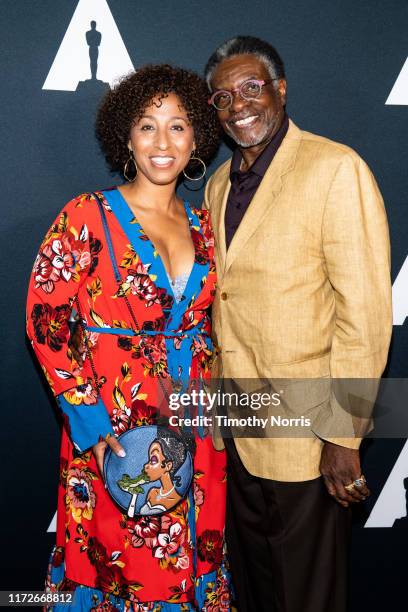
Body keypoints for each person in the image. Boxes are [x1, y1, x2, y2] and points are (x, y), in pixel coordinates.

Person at [26, 64, 230, 611]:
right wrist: (88, 420)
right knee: (119, 554)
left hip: (192, 417)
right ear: (127, 137)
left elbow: (209, 325)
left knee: (191, 545)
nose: (163, 141)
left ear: (197, 140)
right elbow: (46, 321)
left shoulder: (204, 224)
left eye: (178, 126)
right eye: (147, 126)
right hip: (114, 425)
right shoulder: (88, 215)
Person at [203, 36, 392, 612]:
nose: (238, 105)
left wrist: (342, 435)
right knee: (256, 587)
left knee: (307, 594)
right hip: (234, 429)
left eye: (251, 88)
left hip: (306, 435)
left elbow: (364, 316)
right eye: (222, 97)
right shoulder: (216, 184)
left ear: (280, 90)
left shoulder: (335, 168)